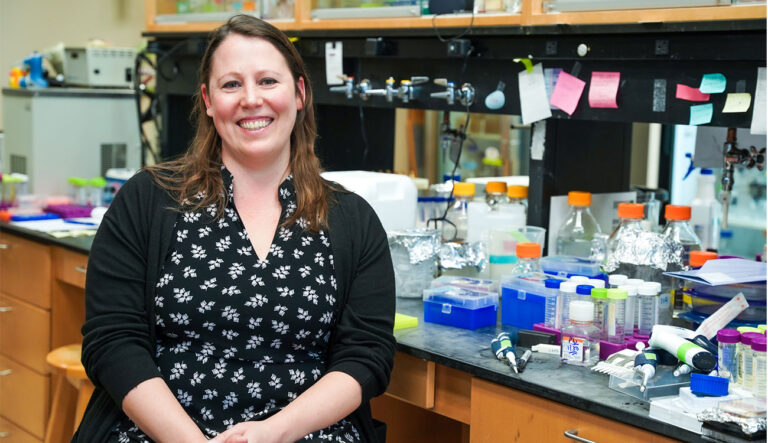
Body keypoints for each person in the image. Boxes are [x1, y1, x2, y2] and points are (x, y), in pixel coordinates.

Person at [75, 14, 396, 443]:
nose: (250, 99)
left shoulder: (352, 219)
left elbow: (367, 355)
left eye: (267, 81)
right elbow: (112, 341)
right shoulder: (148, 199)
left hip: (304, 434)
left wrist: (277, 432)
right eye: (231, 85)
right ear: (208, 100)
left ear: (299, 93)